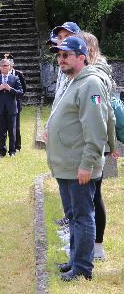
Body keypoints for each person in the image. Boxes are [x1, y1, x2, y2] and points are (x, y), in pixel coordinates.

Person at [46, 36, 115, 282]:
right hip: (67, 166)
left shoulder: (91, 84)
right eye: (59, 56)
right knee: (74, 216)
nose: (61, 60)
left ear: (82, 56)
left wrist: (87, 164)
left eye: (66, 55)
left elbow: (96, 129)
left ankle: (83, 269)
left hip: (79, 166)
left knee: (84, 216)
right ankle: (75, 260)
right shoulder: (75, 82)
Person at [79, 31, 119, 261]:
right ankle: (92, 245)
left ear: (89, 50)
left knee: (93, 196)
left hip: (96, 141)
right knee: (91, 195)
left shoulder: (97, 75)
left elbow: (106, 113)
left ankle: (97, 246)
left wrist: (110, 144)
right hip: (95, 140)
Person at [0, 58, 23, 157]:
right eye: (3, 66)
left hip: (12, 109)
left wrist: (10, 89)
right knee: (1, 131)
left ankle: (12, 151)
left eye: (7, 65)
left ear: (10, 67)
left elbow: (20, 93)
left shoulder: (15, 78)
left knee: (12, 131)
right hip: (0, 109)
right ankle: (2, 151)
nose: (5, 67)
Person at [4, 53, 26, 152]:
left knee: (16, 126)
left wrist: (16, 97)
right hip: (4, 103)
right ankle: (4, 146)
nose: (7, 64)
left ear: (12, 63)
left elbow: (23, 89)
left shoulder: (18, 74)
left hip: (15, 103)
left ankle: (17, 146)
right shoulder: (0, 73)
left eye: (9, 62)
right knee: (3, 125)